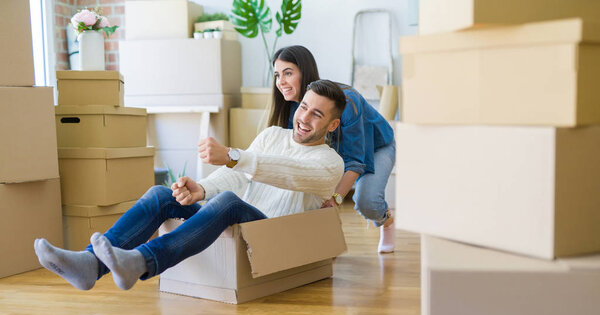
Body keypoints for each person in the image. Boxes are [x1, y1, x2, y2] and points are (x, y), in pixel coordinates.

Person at [34, 80, 346, 291]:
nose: (304, 117)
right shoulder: (272, 136)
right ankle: (90, 264)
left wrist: (233, 155)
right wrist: (202, 188)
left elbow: (289, 173)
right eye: (304, 107)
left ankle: (143, 261)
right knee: (162, 195)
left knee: (230, 203)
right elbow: (241, 176)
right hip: (241, 226)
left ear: (332, 125)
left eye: (317, 114)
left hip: (273, 235)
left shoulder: (331, 163)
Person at [268, 45, 396, 253]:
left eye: (288, 73)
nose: (280, 82)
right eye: (277, 75)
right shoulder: (293, 107)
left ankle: (387, 222)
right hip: (337, 153)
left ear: (305, 71)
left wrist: (335, 199)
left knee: (367, 202)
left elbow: (355, 159)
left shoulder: (345, 102)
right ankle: (326, 242)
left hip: (377, 146)